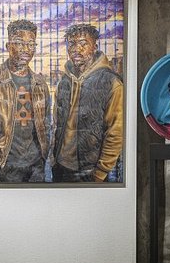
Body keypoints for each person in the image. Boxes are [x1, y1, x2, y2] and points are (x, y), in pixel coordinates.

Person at [0, 19, 51, 183]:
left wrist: (44, 155)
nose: (26, 49)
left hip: (36, 166)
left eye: (31, 44)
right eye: (19, 43)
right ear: (8, 46)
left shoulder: (40, 84)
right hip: (4, 166)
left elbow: (47, 123)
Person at [52, 23, 124, 183]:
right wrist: (53, 160)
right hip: (60, 167)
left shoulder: (111, 82)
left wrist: (100, 172)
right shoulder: (64, 81)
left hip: (91, 172)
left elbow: (116, 132)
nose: (76, 49)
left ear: (94, 47)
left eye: (83, 43)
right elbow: (56, 123)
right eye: (72, 44)